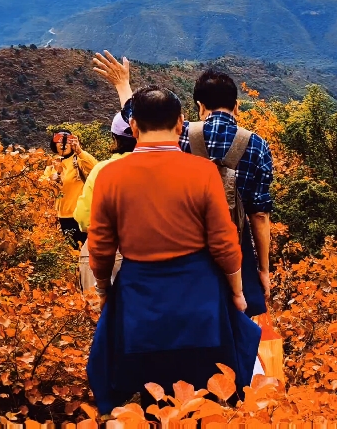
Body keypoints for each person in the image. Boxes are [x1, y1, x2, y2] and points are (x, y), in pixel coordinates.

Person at [85, 86, 261, 413]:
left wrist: (104, 290)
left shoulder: (110, 176)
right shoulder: (202, 172)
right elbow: (224, 242)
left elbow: (101, 247)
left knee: (149, 397)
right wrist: (237, 293)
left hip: (139, 300)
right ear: (181, 124)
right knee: (207, 397)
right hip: (200, 300)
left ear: (134, 127)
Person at [92, 53, 274, 319]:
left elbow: (143, 118)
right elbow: (260, 214)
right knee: (237, 323)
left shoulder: (183, 133)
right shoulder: (257, 145)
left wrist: (122, 84)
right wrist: (263, 269)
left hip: (187, 251)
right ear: (237, 107)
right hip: (236, 246)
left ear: (200, 107)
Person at [73, 113, 136, 294]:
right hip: (144, 253)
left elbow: (84, 219)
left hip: (103, 251)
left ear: (115, 139)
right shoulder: (157, 167)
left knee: (99, 315)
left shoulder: (102, 170)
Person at [41, 129, 97, 247]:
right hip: (61, 217)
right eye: (59, 141)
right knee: (70, 254)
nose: (63, 144)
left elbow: (96, 168)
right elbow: (41, 184)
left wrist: (80, 151)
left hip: (80, 216)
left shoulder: (78, 160)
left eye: (67, 141)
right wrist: (52, 178)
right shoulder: (52, 164)